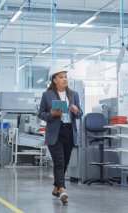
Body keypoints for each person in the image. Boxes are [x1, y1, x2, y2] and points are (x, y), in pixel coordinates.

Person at [38, 66, 83, 205]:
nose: (65, 79)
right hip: (54, 132)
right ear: (54, 80)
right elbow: (41, 113)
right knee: (59, 162)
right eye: (61, 77)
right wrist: (51, 114)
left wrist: (76, 111)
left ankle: (56, 188)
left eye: (66, 77)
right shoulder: (47, 95)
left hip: (69, 131)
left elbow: (80, 113)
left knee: (65, 162)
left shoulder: (73, 94)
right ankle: (63, 189)